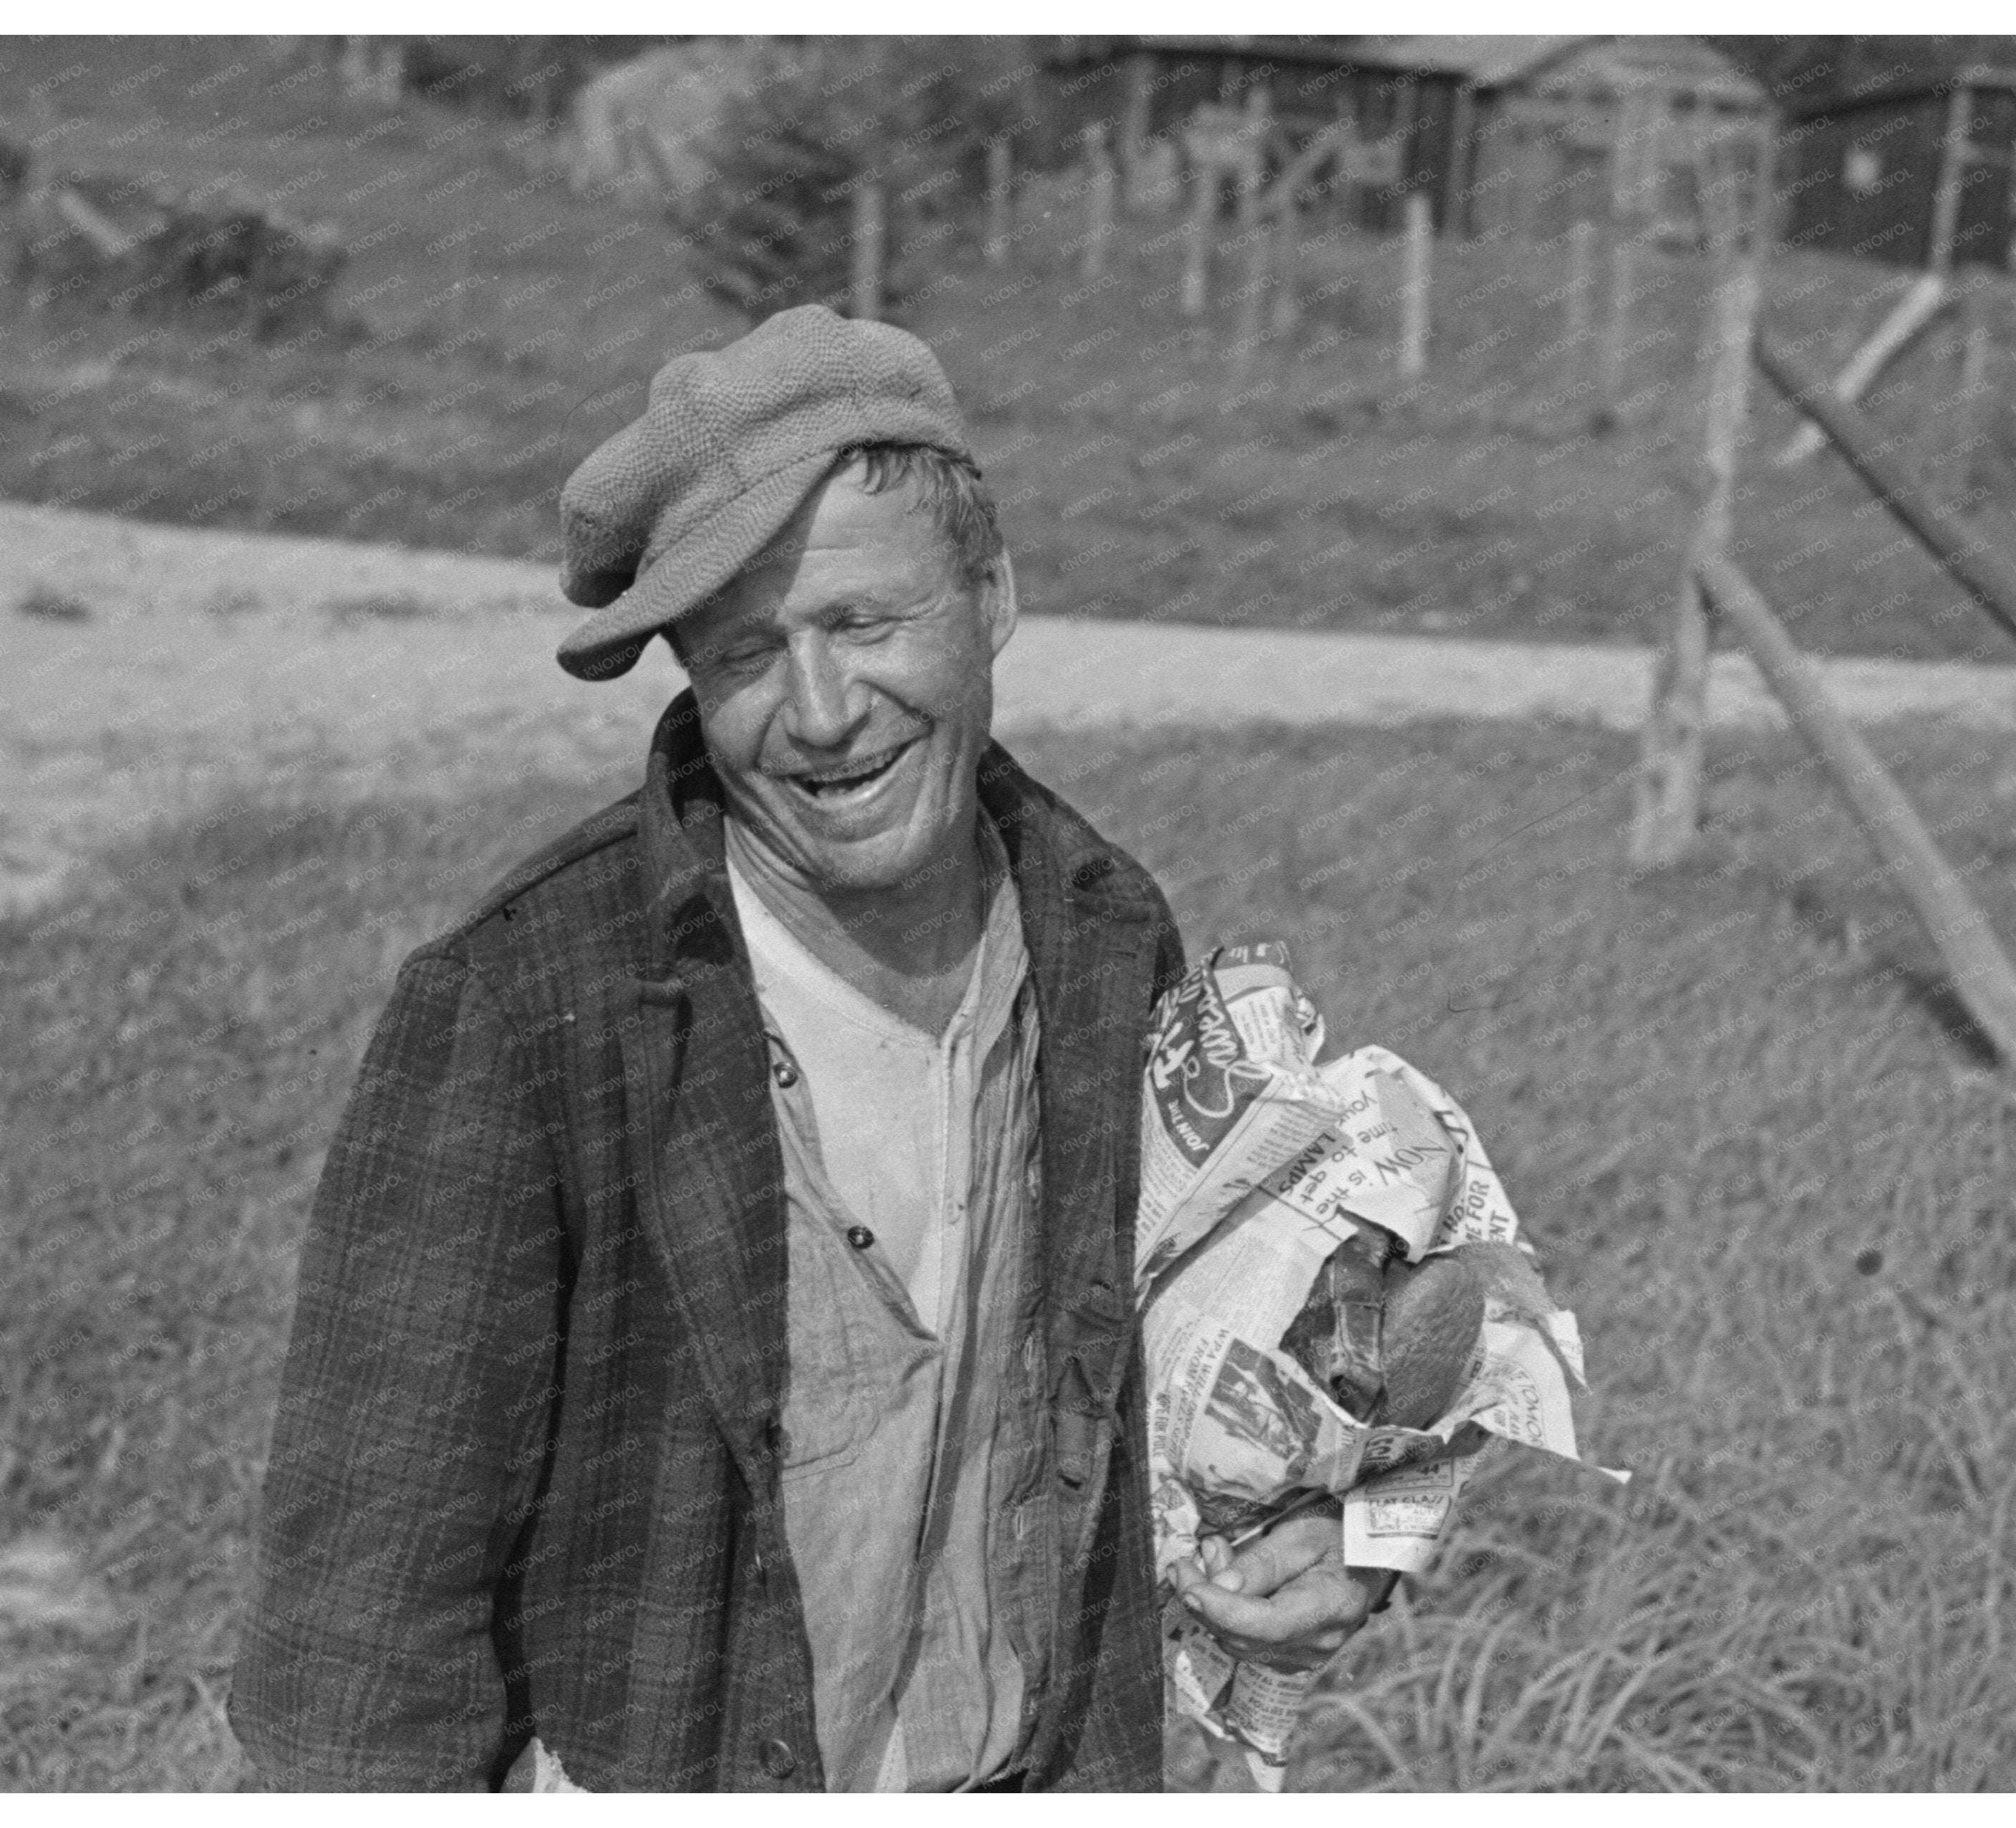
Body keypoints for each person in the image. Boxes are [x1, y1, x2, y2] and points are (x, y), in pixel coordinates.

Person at [229, 305, 1380, 1792]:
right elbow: (367, 1612)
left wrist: (1334, 1525)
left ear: (993, 595)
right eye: (742, 653)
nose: (822, 713)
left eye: (862, 623)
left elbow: (1184, 1381)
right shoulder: (526, 1007)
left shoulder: (1101, 940)